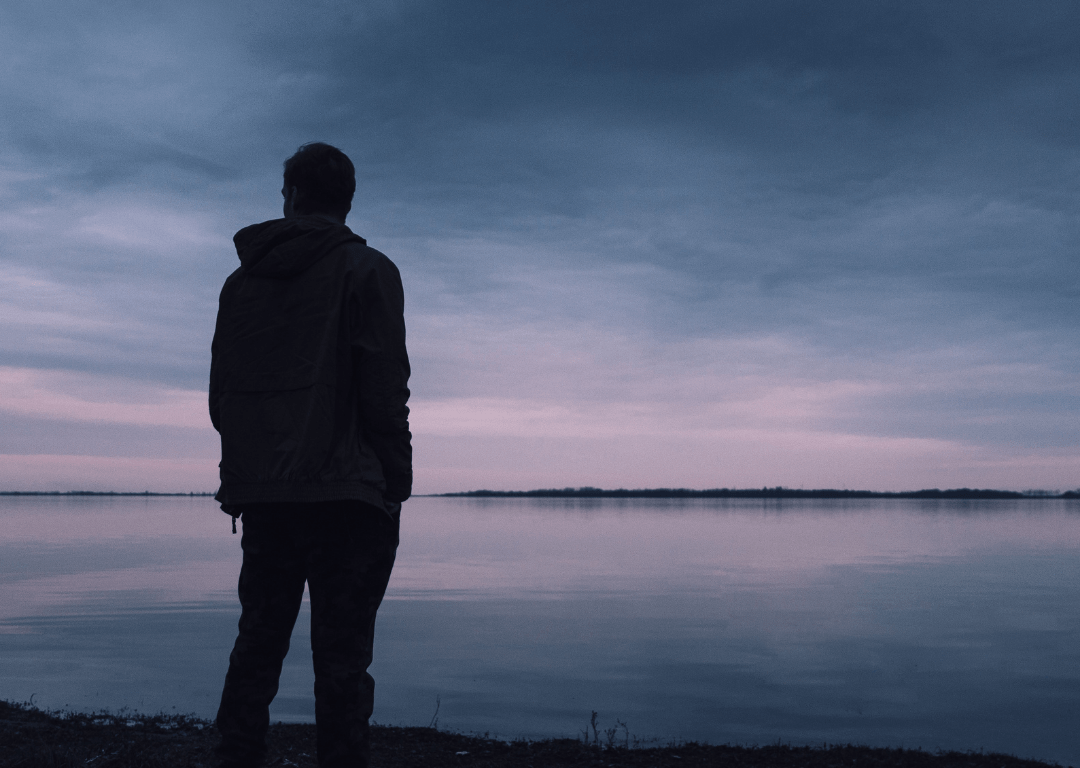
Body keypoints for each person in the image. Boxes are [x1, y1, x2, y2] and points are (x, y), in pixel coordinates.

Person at [208, 142, 412, 768]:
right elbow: (384, 388)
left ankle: (235, 758)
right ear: (347, 201)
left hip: (267, 494)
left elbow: (222, 396)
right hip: (348, 495)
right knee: (343, 661)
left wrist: (252, 467)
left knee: (257, 646)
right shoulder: (369, 271)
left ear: (292, 196)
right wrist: (396, 479)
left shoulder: (241, 284)